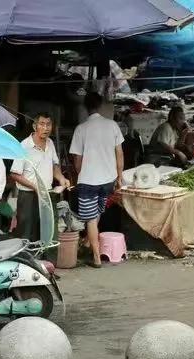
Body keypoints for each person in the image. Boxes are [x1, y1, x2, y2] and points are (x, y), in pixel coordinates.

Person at [69, 92, 124, 268]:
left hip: (89, 180)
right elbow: (119, 153)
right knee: (97, 211)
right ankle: (87, 242)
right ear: (100, 106)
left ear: (86, 107)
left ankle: (96, 257)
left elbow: (77, 160)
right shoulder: (112, 125)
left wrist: (80, 174)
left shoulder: (81, 129)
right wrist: (119, 176)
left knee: (90, 219)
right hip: (108, 179)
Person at [10, 113, 70, 242]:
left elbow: (55, 165)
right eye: (42, 124)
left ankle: (47, 261)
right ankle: (28, 260)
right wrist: (35, 187)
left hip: (47, 193)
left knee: (48, 230)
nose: (46, 128)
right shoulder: (24, 146)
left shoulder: (50, 143)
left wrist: (61, 178)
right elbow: (14, 174)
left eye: (48, 124)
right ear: (34, 126)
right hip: (28, 196)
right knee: (27, 232)